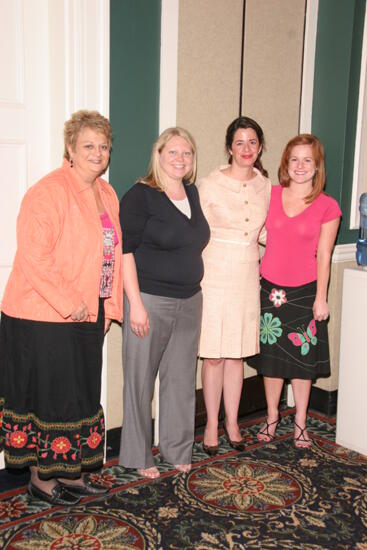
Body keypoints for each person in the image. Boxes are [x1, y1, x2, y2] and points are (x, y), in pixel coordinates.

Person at [0, 110, 123, 505]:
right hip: (41, 317)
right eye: (88, 145)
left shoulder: (107, 194)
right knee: (47, 400)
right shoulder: (47, 191)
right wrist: (73, 304)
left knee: (77, 399)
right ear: (70, 148)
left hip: (87, 316)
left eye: (103, 146)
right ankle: (41, 480)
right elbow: (35, 258)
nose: (97, 152)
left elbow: (113, 256)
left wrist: (109, 307)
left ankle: (69, 475)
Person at [118, 127, 210, 479]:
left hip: (190, 300)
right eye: (173, 152)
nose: (180, 159)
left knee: (181, 379)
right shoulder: (141, 195)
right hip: (150, 301)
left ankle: (176, 448)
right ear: (158, 156)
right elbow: (125, 251)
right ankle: (139, 456)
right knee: (140, 381)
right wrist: (136, 304)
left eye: (186, 153)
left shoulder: (192, 192)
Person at [248, 134, 341, 448]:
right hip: (270, 290)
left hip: (304, 293)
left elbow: (325, 256)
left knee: (302, 363)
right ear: (286, 164)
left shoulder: (328, 207)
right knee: (271, 361)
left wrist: (321, 298)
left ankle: (300, 422)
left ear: (317, 167)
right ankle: (272, 417)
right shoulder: (270, 195)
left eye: (307, 161)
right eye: (294, 160)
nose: (300, 166)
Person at [198, 116, 271, 455]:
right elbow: (194, 234)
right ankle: (211, 424)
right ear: (229, 147)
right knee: (213, 355)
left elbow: (268, 234)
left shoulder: (265, 186)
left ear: (260, 148)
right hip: (213, 275)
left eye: (252, 142)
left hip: (246, 276)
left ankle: (232, 422)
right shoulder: (208, 185)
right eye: (239, 142)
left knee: (236, 356)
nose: (246, 149)